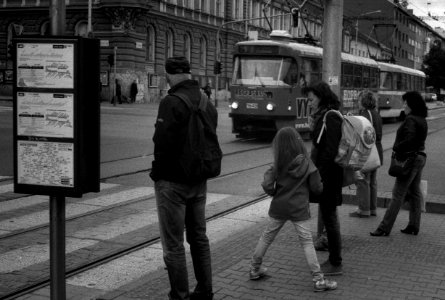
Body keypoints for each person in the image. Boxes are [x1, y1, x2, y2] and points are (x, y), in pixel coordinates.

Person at [150, 57, 217, 300]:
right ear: (189, 74)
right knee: (199, 237)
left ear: (169, 75)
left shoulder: (171, 101)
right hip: (198, 181)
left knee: (174, 244)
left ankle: (179, 295)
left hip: (173, 182)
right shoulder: (206, 100)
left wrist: (157, 174)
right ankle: (204, 290)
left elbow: (162, 142)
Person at [249, 127, 337, 292]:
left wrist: (275, 192)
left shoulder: (278, 164)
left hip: (279, 207)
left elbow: (267, 185)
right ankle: (318, 280)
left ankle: (254, 269)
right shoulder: (308, 164)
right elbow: (317, 188)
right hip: (299, 209)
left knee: (267, 237)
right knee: (306, 242)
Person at [370, 91, 428, 237]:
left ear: (410, 104)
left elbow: (410, 139)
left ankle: (384, 228)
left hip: (409, 160)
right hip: (420, 157)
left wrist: (397, 147)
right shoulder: (422, 119)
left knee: (398, 194)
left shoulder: (411, 120)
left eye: (405, 102)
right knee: (415, 193)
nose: (404, 105)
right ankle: (414, 225)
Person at [302, 81, 343, 276]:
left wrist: (320, 178)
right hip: (324, 175)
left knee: (330, 218)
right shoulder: (322, 117)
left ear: (321, 98)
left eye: (311, 99)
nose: (309, 103)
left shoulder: (331, 117)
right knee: (328, 216)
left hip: (329, 176)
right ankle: (334, 259)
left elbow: (330, 151)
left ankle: (335, 261)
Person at [349, 91, 383, 218]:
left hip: (367, 153)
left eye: (359, 101)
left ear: (363, 102)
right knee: (373, 182)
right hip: (377, 152)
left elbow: (362, 135)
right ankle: (372, 208)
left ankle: (363, 210)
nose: (358, 103)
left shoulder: (365, 114)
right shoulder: (376, 114)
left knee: (362, 180)